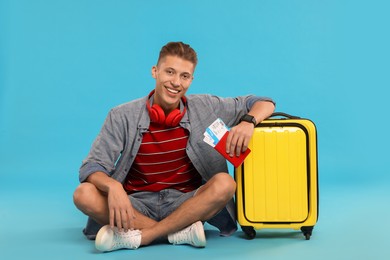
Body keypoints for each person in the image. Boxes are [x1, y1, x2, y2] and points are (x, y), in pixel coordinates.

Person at [73, 41, 275, 252]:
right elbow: (91, 166)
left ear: (191, 79)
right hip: (136, 204)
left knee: (225, 184)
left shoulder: (205, 106)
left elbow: (264, 102)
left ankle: (142, 236)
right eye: (170, 72)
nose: (176, 82)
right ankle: (178, 233)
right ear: (155, 71)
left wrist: (248, 121)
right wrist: (113, 187)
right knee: (83, 194)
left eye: (184, 76)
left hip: (186, 203)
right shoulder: (122, 115)